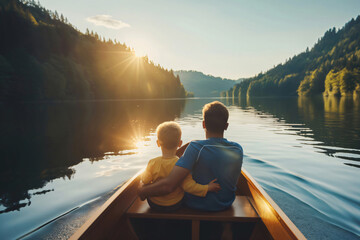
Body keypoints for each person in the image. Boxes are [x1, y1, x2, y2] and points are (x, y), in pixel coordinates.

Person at [138, 101, 243, 211]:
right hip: (226, 204)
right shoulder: (237, 149)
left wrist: (142, 190)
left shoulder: (196, 147)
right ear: (226, 126)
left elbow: (168, 186)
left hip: (197, 204)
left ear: (203, 124)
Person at [142, 121, 221, 211]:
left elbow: (145, 180)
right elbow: (189, 186)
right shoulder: (182, 164)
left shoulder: (152, 162)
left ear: (158, 143)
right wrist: (207, 188)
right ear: (180, 143)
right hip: (175, 204)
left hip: (154, 203)